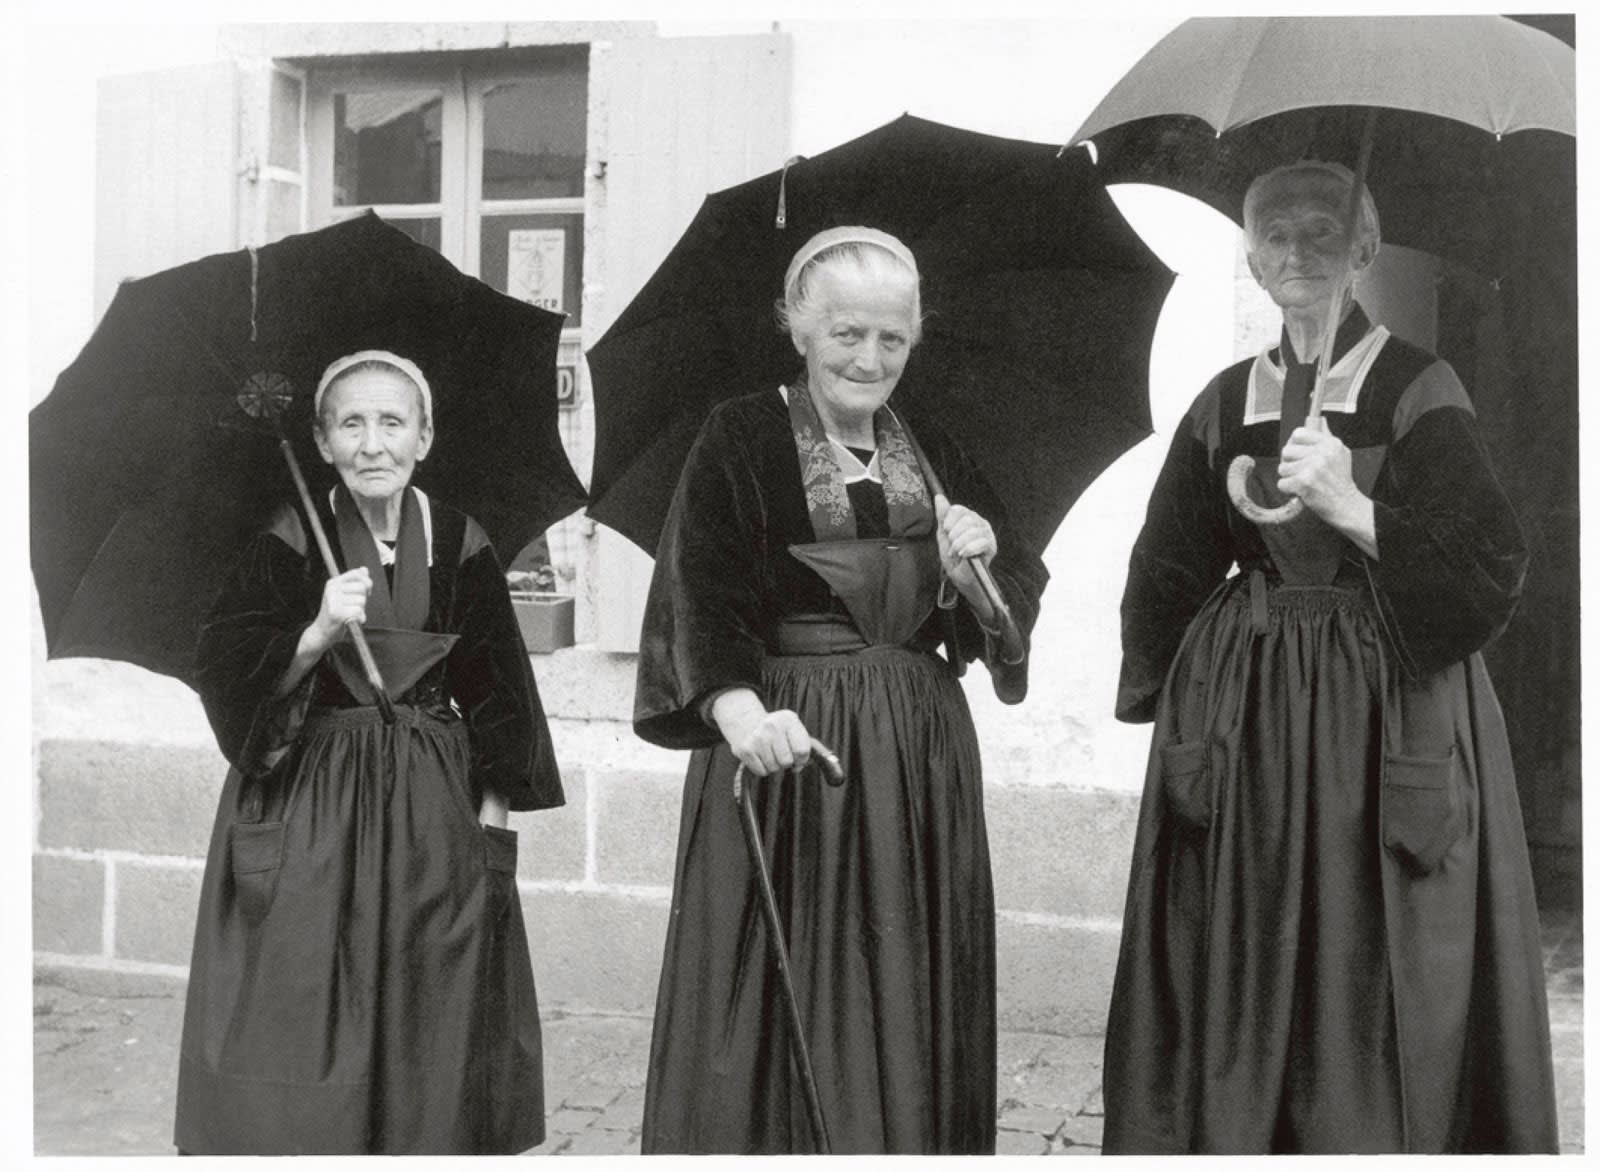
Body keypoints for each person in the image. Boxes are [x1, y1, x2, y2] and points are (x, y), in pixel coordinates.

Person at [1103, 161, 1558, 1153]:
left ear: (1362, 252)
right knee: (1249, 939)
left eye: (1322, 230)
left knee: (1370, 940)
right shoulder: (1225, 401)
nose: (1297, 249)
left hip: (1384, 694)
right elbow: (1166, 565)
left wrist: (1354, 506)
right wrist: (1169, 702)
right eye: (1276, 234)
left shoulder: (1416, 384)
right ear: (1253, 262)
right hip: (1252, 705)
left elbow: (1491, 564)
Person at [632, 226, 1048, 1154]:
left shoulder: (934, 448)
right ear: (798, 328)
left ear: (913, 340)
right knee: (789, 988)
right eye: (846, 333)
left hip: (917, 761)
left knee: (905, 972)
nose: (869, 358)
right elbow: (700, 593)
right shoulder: (739, 434)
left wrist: (977, 571)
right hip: (792, 748)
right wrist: (740, 714)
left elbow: (1008, 616)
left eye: (891, 339)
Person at [174, 351, 562, 1154]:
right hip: (315, 800)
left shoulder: (458, 538)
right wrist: (313, 632)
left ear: (424, 437)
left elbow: (499, 686)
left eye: (392, 422)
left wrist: (487, 826)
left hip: (433, 809)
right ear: (321, 441)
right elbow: (226, 671)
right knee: (311, 996)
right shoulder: (288, 539)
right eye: (351, 423)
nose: (372, 443)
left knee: (434, 996)